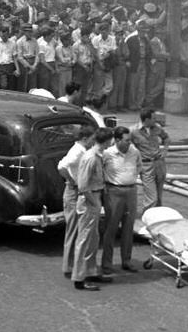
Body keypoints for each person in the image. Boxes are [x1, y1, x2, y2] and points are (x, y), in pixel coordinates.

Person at [71, 127, 114, 290]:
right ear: (107, 141)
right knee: (84, 240)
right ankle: (79, 277)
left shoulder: (96, 156)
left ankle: (90, 271)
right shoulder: (90, 158)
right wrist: (94, 203)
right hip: (89, 200)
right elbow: (83, 185)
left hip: (95, 197)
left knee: (93, 239)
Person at [100, 125, 140, 273]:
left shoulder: (134, 152)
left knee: (128, 228)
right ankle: (107, 264)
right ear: (117, 140)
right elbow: (99, 171)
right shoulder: (107, 154)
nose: (129, 143)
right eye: (126, 140)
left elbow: (139, 167)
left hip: (131, 191)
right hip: (113, 192)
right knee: (111, 228)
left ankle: (127, 260)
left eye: (130, 140)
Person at [58, 124, 95, 279]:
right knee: (73, 230)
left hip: (75, 191)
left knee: (76, 229)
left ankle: (71, 265)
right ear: (85, 138)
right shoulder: (77, 152)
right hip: (73, 192)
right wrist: (72, 180)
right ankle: (69, 266)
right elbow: (61, 166)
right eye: (92, 139)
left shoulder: (81, 150)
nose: (93, 142)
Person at [129, 108, 168, 215]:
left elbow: (166, 138)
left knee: (159, 198)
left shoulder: (157, 128)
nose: (156, 120)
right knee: (152, 198)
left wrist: (165, 150)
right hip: (146, 166)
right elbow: (124, 144)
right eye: (153, 118)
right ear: (146, 119)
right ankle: (145, 220)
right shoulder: (133, 131)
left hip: (159, 164)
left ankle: (157, 220)